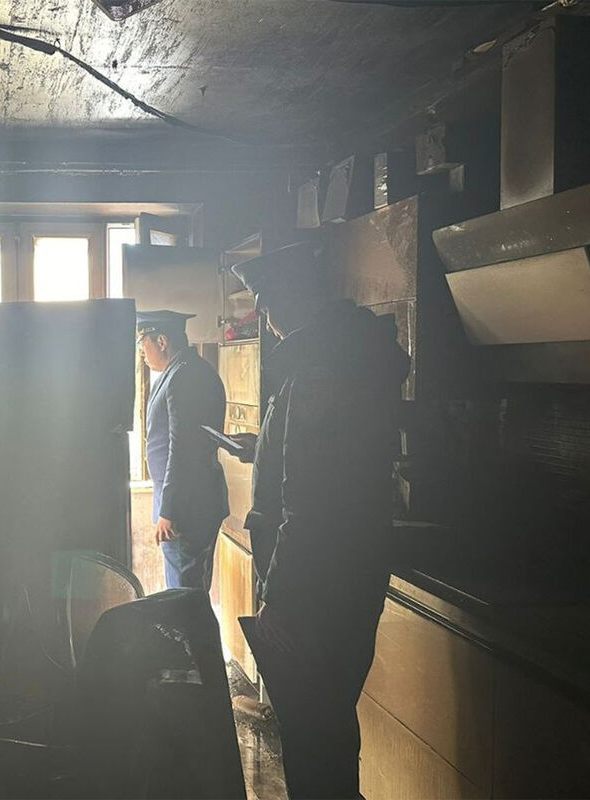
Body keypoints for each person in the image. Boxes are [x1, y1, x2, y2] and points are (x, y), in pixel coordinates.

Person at [227, 242, 410, 799]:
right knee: (326, 726)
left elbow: (310, 502)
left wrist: (281, 597)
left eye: (266, 296)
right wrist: (265, 448)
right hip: (342, 580)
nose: (263, 311)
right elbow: (318, 464)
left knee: (313, 734)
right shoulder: (344, 358)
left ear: (295, 294)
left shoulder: (318, 371)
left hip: (313, 590)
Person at [137, 310, 228, 591]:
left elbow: (182, 449)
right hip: (190, 501)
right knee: (190, 588)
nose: (142, 352)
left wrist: (169, 510)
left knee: (183, 592)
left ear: (162, 341)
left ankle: (189, 623)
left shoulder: (184, 377)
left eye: (143, 343)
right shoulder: (184, 371)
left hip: (185, 509)